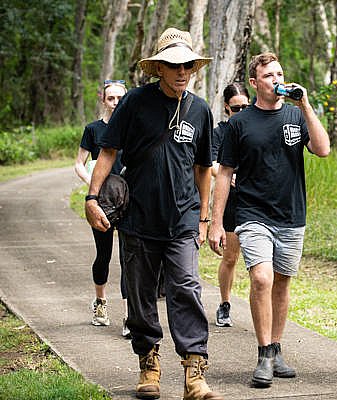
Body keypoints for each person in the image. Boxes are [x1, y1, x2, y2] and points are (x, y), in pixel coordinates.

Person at [84, 28, 223, 400]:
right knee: (141, 294)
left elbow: (203, 168)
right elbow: (108, 151)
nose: (182, 72)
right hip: (138, 218)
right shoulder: (134, 102)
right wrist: (92, 197)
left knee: (186, 289)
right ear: (159, 68)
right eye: (174, 65)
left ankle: (194, 373)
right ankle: (149, 364)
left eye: (188, 65)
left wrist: (204, 217)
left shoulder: (200, 110)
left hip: (182, 219)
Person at [208, 52, 330, 388]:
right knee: (261, 278)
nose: (276, 80)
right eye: (268, 76)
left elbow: (322, 149)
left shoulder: (295, 115)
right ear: (254, 83)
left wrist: (305, 105)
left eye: (279, 74)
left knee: (281, 283)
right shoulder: (240, 123)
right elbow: (224, 173)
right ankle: (263, 354)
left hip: (291, 214)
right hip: (252, 214)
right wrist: (215, 222)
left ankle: (276, 349)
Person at [74, 80, 130, 337]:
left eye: (120, 98)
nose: (116, 103)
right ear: (103, 100)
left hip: (128, 202)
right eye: (111, 98)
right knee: (104, 254)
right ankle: (100, 303)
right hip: (101, 203)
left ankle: (130, 315)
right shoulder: (93, 129)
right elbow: (79, 163)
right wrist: (94, 186)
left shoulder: (133, 128)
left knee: (129, 258)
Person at [211, 82, 251, 328]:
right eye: (236, 108)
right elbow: (211, 163)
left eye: (246, 106)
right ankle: (224, 303)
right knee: (230, 257)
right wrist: (228, 175)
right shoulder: (220, 132)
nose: (241, 112)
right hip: (231, 200)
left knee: (261, 263)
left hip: (256, 200)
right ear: (227, 108)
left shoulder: (257, 125)